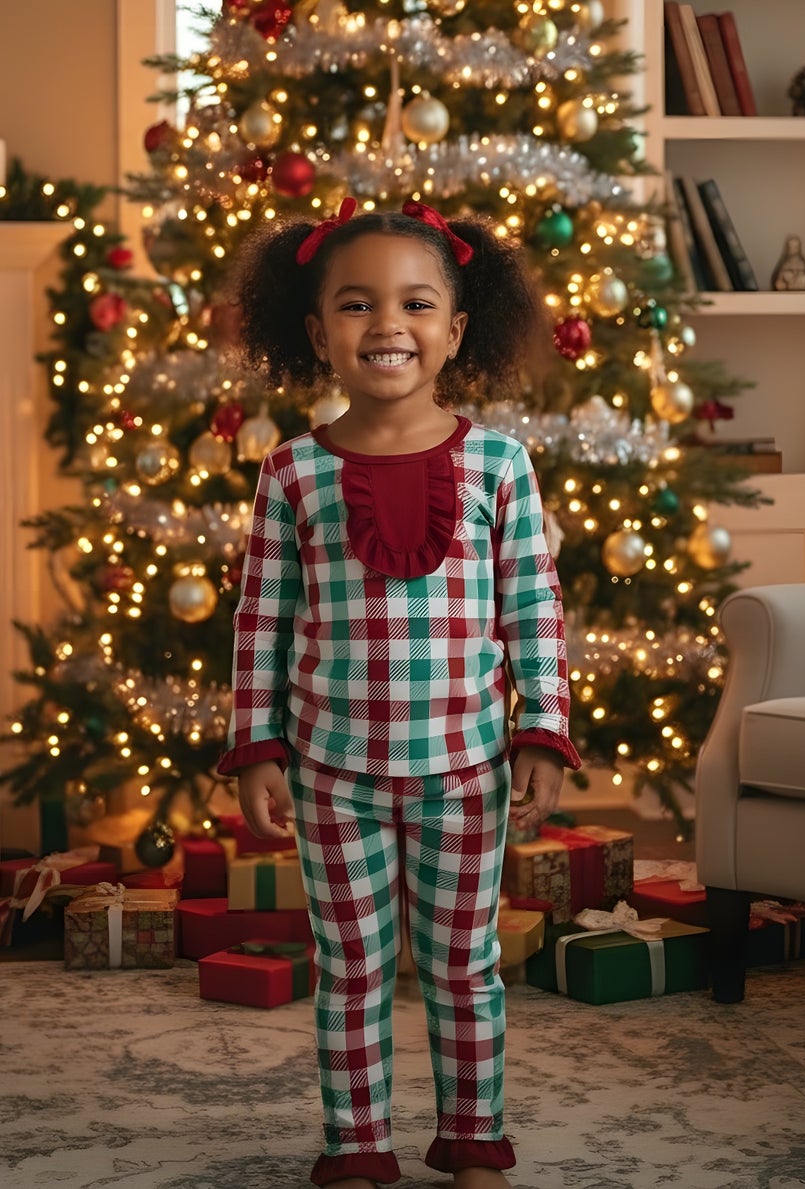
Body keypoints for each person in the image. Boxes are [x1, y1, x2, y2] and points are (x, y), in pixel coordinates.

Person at [218, 198, 581, 1189]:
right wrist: (257, 746)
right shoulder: (291, 471)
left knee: (463, 967)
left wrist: (542, 728)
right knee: (352, 969)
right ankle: (356, 1144)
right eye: (356, 304)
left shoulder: (500, 464)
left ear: (455, 330)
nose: (387, 324)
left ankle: (472, 1138)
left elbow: (533, 607)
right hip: (332, 776)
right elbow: (259, 619)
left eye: (416, 303)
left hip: (465, 772)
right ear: (315, 332)